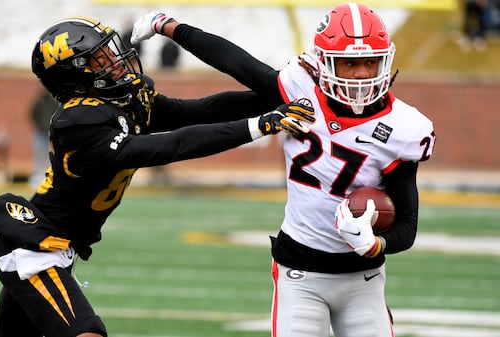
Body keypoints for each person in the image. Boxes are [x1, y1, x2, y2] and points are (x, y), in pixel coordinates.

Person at [0, 16, 315, 337]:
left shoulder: (122, 100)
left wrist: (277, 95)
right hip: (34, 246)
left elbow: (195, 111)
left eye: (110, 51)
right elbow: (171, 146)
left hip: (58, 244)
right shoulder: (78, 121)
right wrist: (258, 126)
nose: (115, 60)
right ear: (77, 75)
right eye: (101, 58)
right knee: (87, 333)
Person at [131, 3, 436, 337]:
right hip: (300, 273)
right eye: (349, 63)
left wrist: (375, 244)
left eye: (370, 62)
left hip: (363, 280)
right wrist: (168, 25)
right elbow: (236, 62)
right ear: (323, 63)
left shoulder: (403, 128)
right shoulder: (300, 87)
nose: (362, 74)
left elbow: (407, 223)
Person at [28, 89, 59, 189]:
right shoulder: (39, 103)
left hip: (51, 134)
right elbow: (33, 115)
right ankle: (37, 178)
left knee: (51, 157)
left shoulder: (54, 104)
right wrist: (39, 127)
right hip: (40, 134)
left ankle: (51, 178)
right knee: (39, 157)